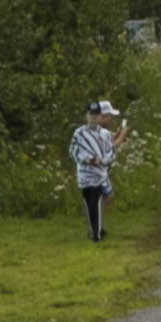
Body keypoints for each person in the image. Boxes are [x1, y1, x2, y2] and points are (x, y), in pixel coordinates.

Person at [70, 98, 123, 241]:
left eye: (96, 115)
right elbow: (73, 151)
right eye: (90, 115)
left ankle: (96, 234)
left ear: (100, 117)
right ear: (86, 116)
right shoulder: (79, 133)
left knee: (97, 201)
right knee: (90, 203)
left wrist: (102, 161)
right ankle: (94, 230)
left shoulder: (105, 134)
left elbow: (111, 153)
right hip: (85, 176)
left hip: (99, 176)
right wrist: (88, 159)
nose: (93, 118)